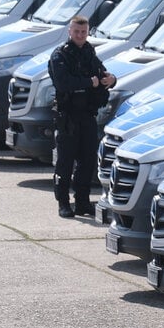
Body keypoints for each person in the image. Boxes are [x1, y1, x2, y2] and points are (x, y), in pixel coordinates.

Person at [48, 15, 116, 218]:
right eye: (76, 31)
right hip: (68, 116)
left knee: (87, 161)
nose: (80, 35)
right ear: (69, 31)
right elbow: (63, 83)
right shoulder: (60, 55)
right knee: (65, 162)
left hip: (87, 115)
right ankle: (63, 202)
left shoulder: (89, 52)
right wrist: (89, 82)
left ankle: (83, 202)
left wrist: (111, 80)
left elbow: (102, 74)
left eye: (83, 32)